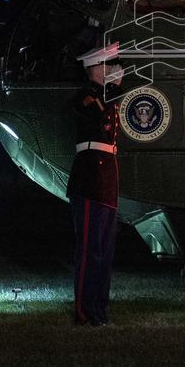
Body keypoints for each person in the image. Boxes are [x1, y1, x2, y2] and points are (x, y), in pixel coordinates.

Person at [67, 42, 123, 326]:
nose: (112, 69)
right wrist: (112, 89)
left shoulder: (105, 94)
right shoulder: (86, 96)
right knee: (90, 249)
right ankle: (84, 310)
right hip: (89, 179)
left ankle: (99, 308)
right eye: (107, 65)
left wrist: (113, 89)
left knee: (105, 249)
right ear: (94, 68)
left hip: (106, 180)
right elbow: (99, 118)